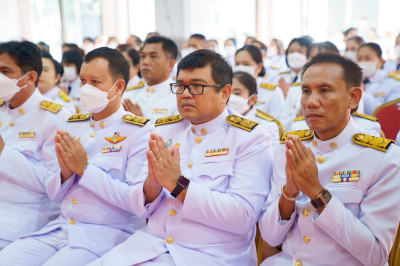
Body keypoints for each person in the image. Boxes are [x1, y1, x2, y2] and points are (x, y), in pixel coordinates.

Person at [89, 49, 273, 266]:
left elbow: (244, 216)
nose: (185, 94)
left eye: (197, 86)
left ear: (224, 93)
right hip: (152, 247)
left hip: (210, 256)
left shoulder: (250, 137)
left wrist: (179, 186)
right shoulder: (165, 129)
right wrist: (152, 185)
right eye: (180, 86)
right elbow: (137, 206)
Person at [0, 47, 153, 265]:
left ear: (118, 86)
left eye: (95, 82)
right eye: (83, 81)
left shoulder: (138, 130)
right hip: (61, 228)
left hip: (103, 233)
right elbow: (53, 193)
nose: (86, 89)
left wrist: (85, 169)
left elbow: (135, 201)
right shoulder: (74, 125)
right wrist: (64, 173)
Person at [259, 53, 400, 266]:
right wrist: (289, 193)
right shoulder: (291, 146)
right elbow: (269, 237)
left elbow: (376, 255)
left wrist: (317, 193)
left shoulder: (383, 159)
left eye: (325, 91)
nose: (311, 102)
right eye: (306, 91)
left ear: (353, 97)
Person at [0, 41, 70, 248]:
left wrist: (4, 153)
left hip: (25, 220)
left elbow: (52, 183)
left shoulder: (56, 117)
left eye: (5, 71)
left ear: (30, 77)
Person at [122, 36, 178, 121]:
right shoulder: (128, 94)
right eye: (143, 56)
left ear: (170, 64)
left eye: (153, 56)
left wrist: (140, 122)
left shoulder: (178, 97)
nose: (145, 62)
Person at [228, 71, 282, 152]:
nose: (231, 98)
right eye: (228, 93)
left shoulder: (267, 126)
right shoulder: (219, 120)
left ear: (253, 99)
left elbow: (271, 158)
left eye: (237, 93)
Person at [234, 45, 284, 119]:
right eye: (237, 64)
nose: (240, 68)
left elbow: (276, 124)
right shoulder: (228, 90)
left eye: (246, 64)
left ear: (259, 67)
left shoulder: (273, 92)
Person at [273, 37, 313, 129]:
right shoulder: (278, 76)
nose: (295, 55)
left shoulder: (311, 78)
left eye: (299, 52)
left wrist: (288, 94)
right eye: (291, 51)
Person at [356, 42, 400, 115]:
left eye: (368, 58)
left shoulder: (393, 83)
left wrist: (361, 93)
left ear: (380, 61)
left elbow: (389, 114)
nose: (363, 62)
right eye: (359, 58)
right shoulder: (353, 81)